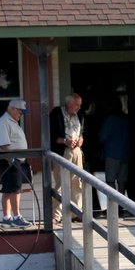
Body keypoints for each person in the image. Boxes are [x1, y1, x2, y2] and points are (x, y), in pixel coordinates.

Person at [0, 98, 31, 228]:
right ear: (13, 109)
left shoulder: (12, 122)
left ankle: (7, 218)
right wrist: (13, 160)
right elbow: (3, 145)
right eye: (20, 112)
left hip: (13, 160)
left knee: (10, 189)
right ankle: (16, 217)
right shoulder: (3, 122)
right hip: (9, 160)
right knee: (14, 189)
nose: (21, 115)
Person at [49, 92, 84, 223]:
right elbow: (51, 136)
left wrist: (81, 139)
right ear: (69, 103)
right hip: (63, 151)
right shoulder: (57, 113)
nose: (79, 108)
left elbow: (82, 131)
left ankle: (76, 213)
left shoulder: (80, 115)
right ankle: (56, 215)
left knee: (77, 182)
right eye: (77, 105)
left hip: (77, 151)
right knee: (61, 183)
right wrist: (65, 141)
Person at [98, 104, 131, 197]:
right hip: (125, 154)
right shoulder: (125, 120)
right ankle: (122, 203)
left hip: (112, 154)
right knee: (121, 181)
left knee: (110, 180)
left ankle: (114, 202)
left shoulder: (110, 119)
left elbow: (102, 137)